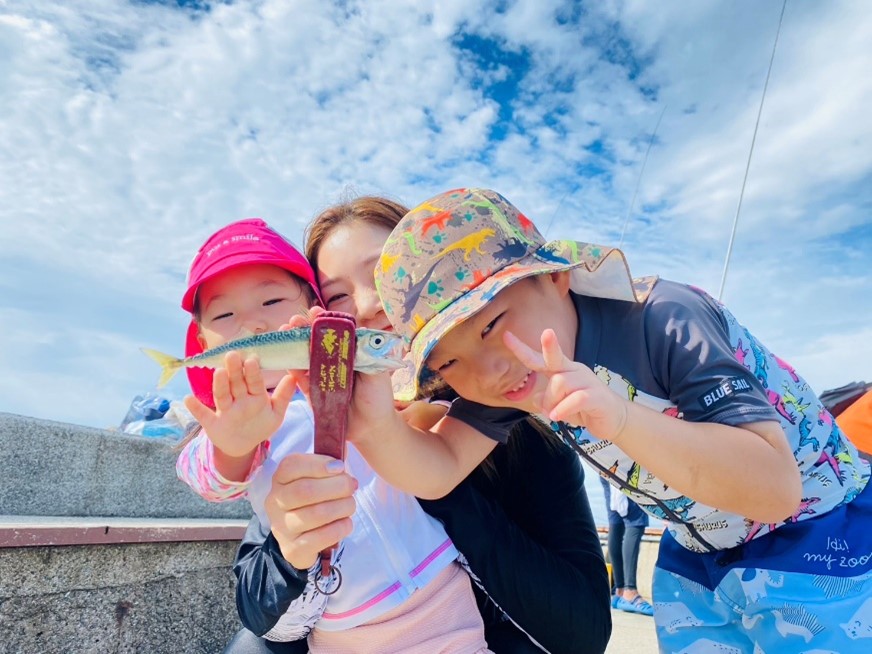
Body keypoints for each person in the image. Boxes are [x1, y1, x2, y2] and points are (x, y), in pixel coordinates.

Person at [339, 187, 872, 653]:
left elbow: (777, 488)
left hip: (817, 529)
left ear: (556, 279)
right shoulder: (510, 375)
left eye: (492, 324)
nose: (487, 371)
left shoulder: (661, 318)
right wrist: (371, 424)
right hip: (696, 546)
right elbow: (441, 466)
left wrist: (619, 417)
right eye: (447, 362)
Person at [178, 209, 611, 653]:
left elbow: (584, 632)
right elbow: (262, 617)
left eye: (390, 275)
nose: (367, 305)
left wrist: (423, 461)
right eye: (339, 297)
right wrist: (290, 548)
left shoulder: (500, 410)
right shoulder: (282, 421)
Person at [597, 476, 653, 616]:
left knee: (616, 523)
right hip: (626, 467)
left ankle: (620, 591)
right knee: (635, 520)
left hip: (606, 467)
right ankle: (629, 591)